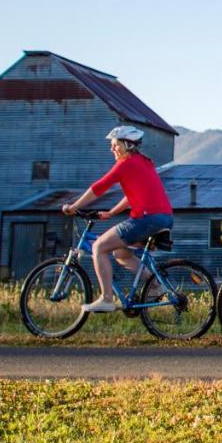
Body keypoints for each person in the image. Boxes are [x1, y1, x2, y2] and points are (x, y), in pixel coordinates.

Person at [61, 125, 174, 313]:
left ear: (127, 145)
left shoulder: (126, 163)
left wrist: (73, 207)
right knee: (121, 254)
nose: (112, 149)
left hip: (146, 218)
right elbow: (134, 195)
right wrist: (112, 212)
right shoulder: (144, 162)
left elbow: (99, 187)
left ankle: (106, 299)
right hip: (163, 217)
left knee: (98, 247)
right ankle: (154, 285)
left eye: (115, 145)